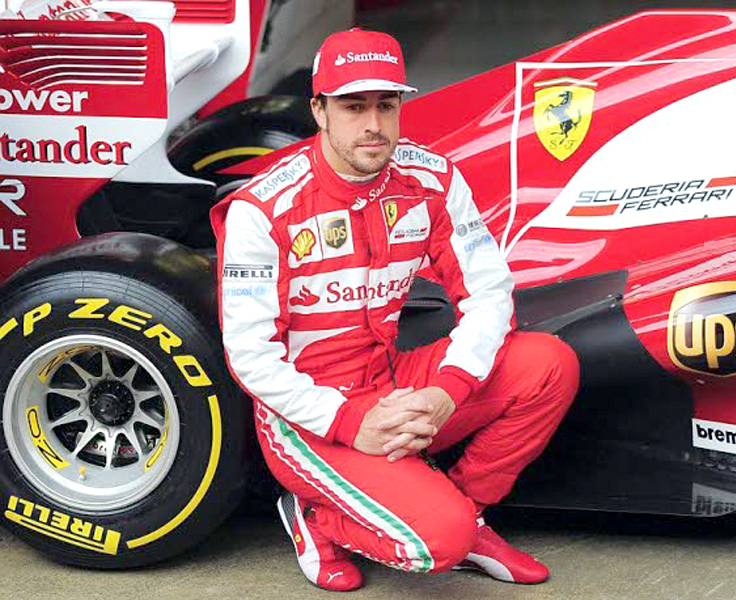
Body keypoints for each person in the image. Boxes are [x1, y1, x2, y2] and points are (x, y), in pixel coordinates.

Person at [210, 27, 580, 592]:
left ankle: (468, 510)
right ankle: (318, 519)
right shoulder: (263, 209)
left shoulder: (430, 179)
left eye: (386, 105)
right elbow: (250, 357)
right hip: (307, 418)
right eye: (353, 106)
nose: (374, 125)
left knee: (548, 365)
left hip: (393, 385)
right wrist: (351, 422)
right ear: (319, 110)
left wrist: (445, 392)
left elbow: (490, 292)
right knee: (437, 543)